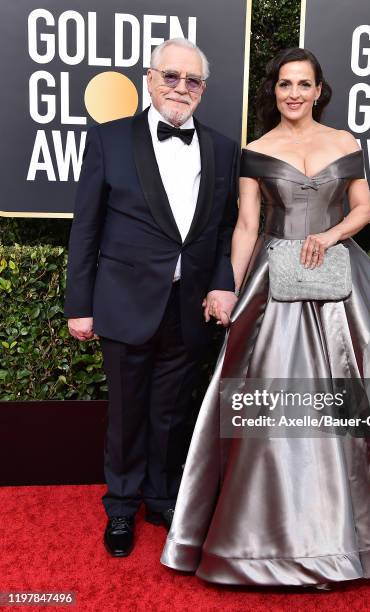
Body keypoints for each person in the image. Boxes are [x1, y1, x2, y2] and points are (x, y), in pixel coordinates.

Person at [160, 47, 370, 587]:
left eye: (303, 84)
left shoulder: (344, 143)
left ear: (318, 90)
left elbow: (363, 208)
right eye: (285, 84)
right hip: (273, 284)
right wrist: (228, 289)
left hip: (335, 284)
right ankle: (262, 536)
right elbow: (245, 227)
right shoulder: (256, 150)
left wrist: (329, 236)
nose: (293, 94)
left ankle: (357, 530)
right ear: (274, 90)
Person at [64, 38, 239, 558]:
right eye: (171, 76)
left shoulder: (224, 148)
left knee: (170, 411)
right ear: (149, 77)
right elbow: (85, 227)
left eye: (192, 81)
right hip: (123, 302)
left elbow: (227, 226)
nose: (180, 88)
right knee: (126, 412)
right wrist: (80, 303)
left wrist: (222, 281)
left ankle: (161, 496)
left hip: (189, 308)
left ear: (203, 90)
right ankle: (120, 506)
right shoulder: (111, 139)